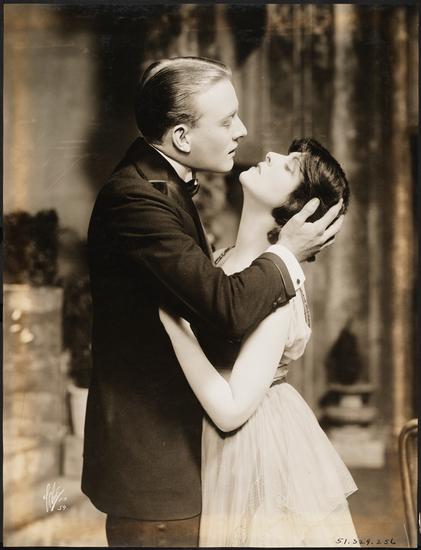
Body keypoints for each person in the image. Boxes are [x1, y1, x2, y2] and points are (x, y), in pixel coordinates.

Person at [82, 57, 344, 547]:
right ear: (181, 137)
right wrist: (287, 253)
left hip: (201, 460)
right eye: (227, 120)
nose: (243, 131)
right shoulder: (138, 198)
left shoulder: (163, 188)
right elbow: (224, 306)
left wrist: (285, 256)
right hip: (159, 469)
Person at [160, 138, 360, 547]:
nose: (271, 155)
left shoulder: (279, 291)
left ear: (299, 209)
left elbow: (231, 411)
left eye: (289, 167)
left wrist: (169, 318)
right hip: (205, 440)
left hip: (254, 445)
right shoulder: (220, 258)